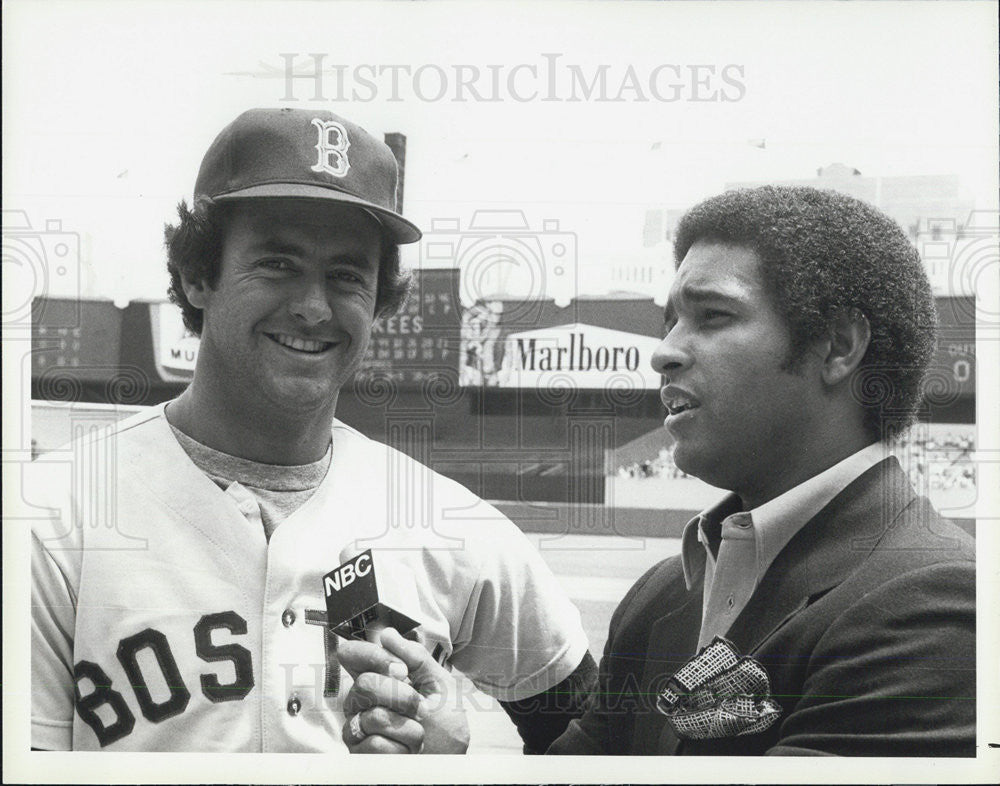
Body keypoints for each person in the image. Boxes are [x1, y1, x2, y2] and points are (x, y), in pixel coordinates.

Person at [30, 107, 595, 752]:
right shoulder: (54, 517)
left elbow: (594, 740)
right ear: (197, 275)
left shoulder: (452, 525)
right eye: (277, 263)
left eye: (347, 275)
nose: (312, 307)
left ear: (379, 300)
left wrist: (455, 770)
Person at [341, 185, 975, 756]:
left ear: (837, 346)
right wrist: (449, 756)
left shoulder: (936, 606)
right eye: (670, 320)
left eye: (713, 316)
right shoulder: (660, 597)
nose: (665, 351)